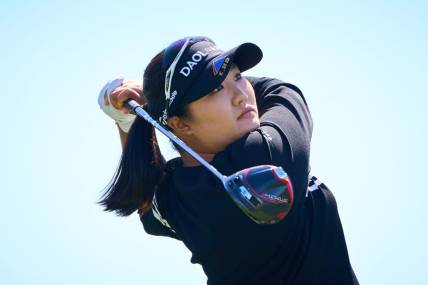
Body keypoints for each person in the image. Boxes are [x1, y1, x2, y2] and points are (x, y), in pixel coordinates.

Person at [97, 36, 359, 285]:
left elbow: (147, 206)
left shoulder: (178, 200)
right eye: (215, 89)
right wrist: (149, 107)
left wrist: (131, 120)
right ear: (180, 124)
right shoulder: (263, 156)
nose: (241, 95)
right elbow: (283, 92)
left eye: (238, 76)